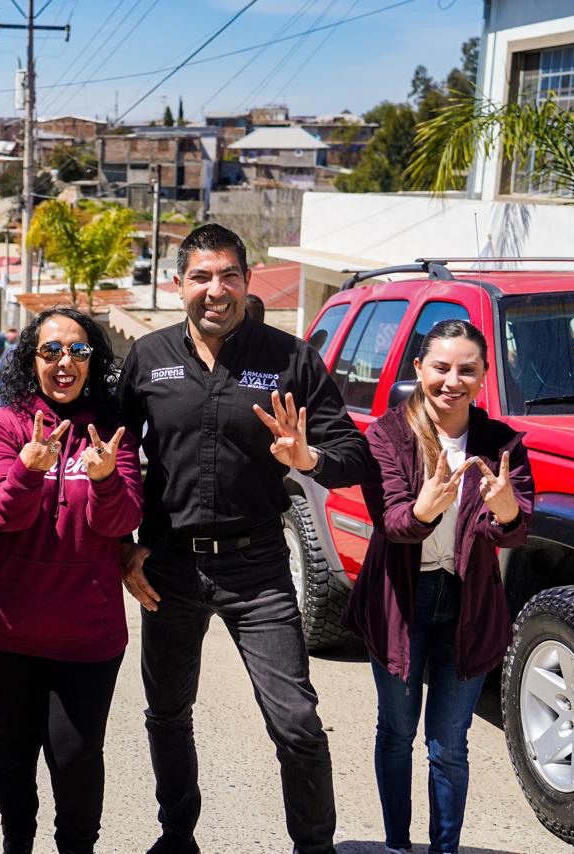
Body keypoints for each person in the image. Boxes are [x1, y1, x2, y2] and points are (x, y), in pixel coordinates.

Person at [117, 223, 369, 854]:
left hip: (257, 569)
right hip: (169, 565)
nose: (216, 289)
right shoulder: (147, 358)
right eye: (201, 276)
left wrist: (307, 458)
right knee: (167, 714)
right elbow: (115, 459)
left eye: (229, 275)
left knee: (298, 722)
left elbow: (353, 454)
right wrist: (122, 544)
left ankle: (314, 847)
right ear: (178, 286)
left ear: (247, 283)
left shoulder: (290, 360)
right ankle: (177, 836)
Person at [0, 307, 143, 854]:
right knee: (13, 743)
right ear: (30, 358)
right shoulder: (2, 426)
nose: (65, 362)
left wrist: (105, 478)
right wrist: (30, 467)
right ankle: (18, 843)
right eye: (50, 350)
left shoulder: (111, 433)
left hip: (86, 633)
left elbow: (122, 521)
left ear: (94, 360)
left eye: (79, 351)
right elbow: (3, 515)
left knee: (78, 755)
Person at [343, 319, 532, 854]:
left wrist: (507, 509)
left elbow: (517, 529)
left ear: (484, 375)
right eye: (442, 367)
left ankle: (443, 849)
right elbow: (394, 523)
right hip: (401, 600)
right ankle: (398, 846)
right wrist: (423, 511)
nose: (453, 380)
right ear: (418, 369)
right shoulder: (387, 434)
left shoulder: (500, 442)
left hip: (467, 602)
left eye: (467, 370)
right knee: (397, 735)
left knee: (449, 744)